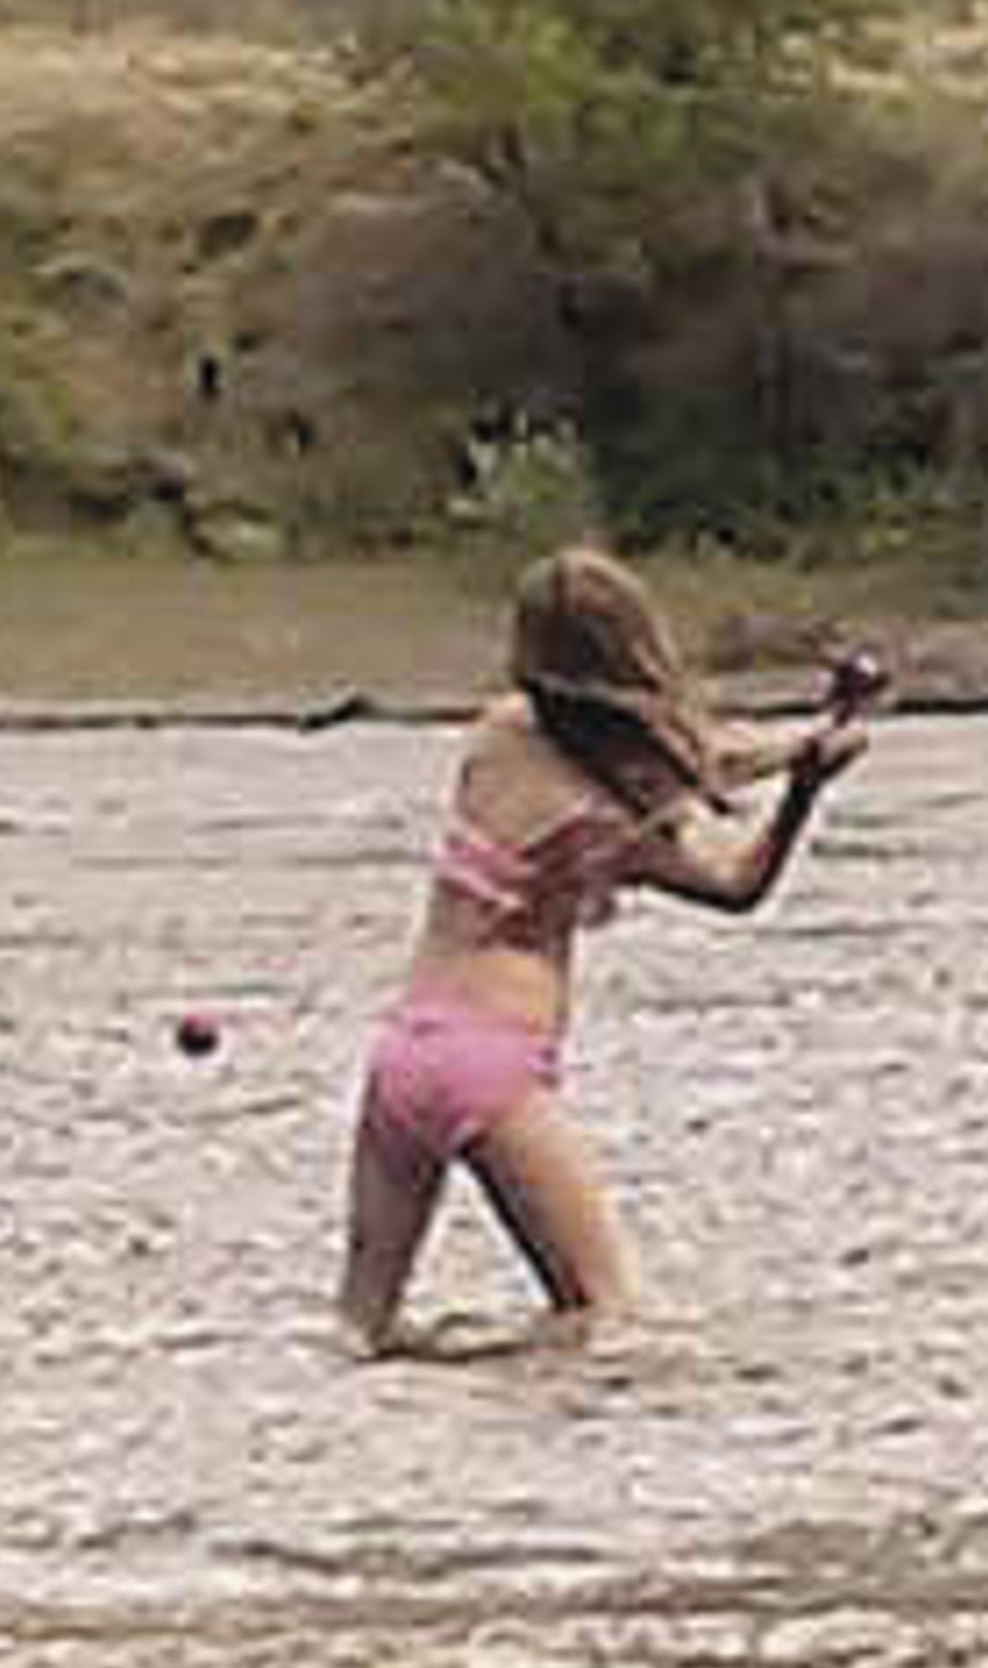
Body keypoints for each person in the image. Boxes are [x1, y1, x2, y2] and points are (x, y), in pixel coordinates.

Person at [338, 542, 879, 1352]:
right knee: (611, 1320)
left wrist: (798, 742)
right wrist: (802, 792)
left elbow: (690, 756)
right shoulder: (607, 819)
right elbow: (737, 884)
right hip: (489, 1065)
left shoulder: (498, 735)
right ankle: (525, 1427)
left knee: (360, 1334)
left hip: (403, 1052)